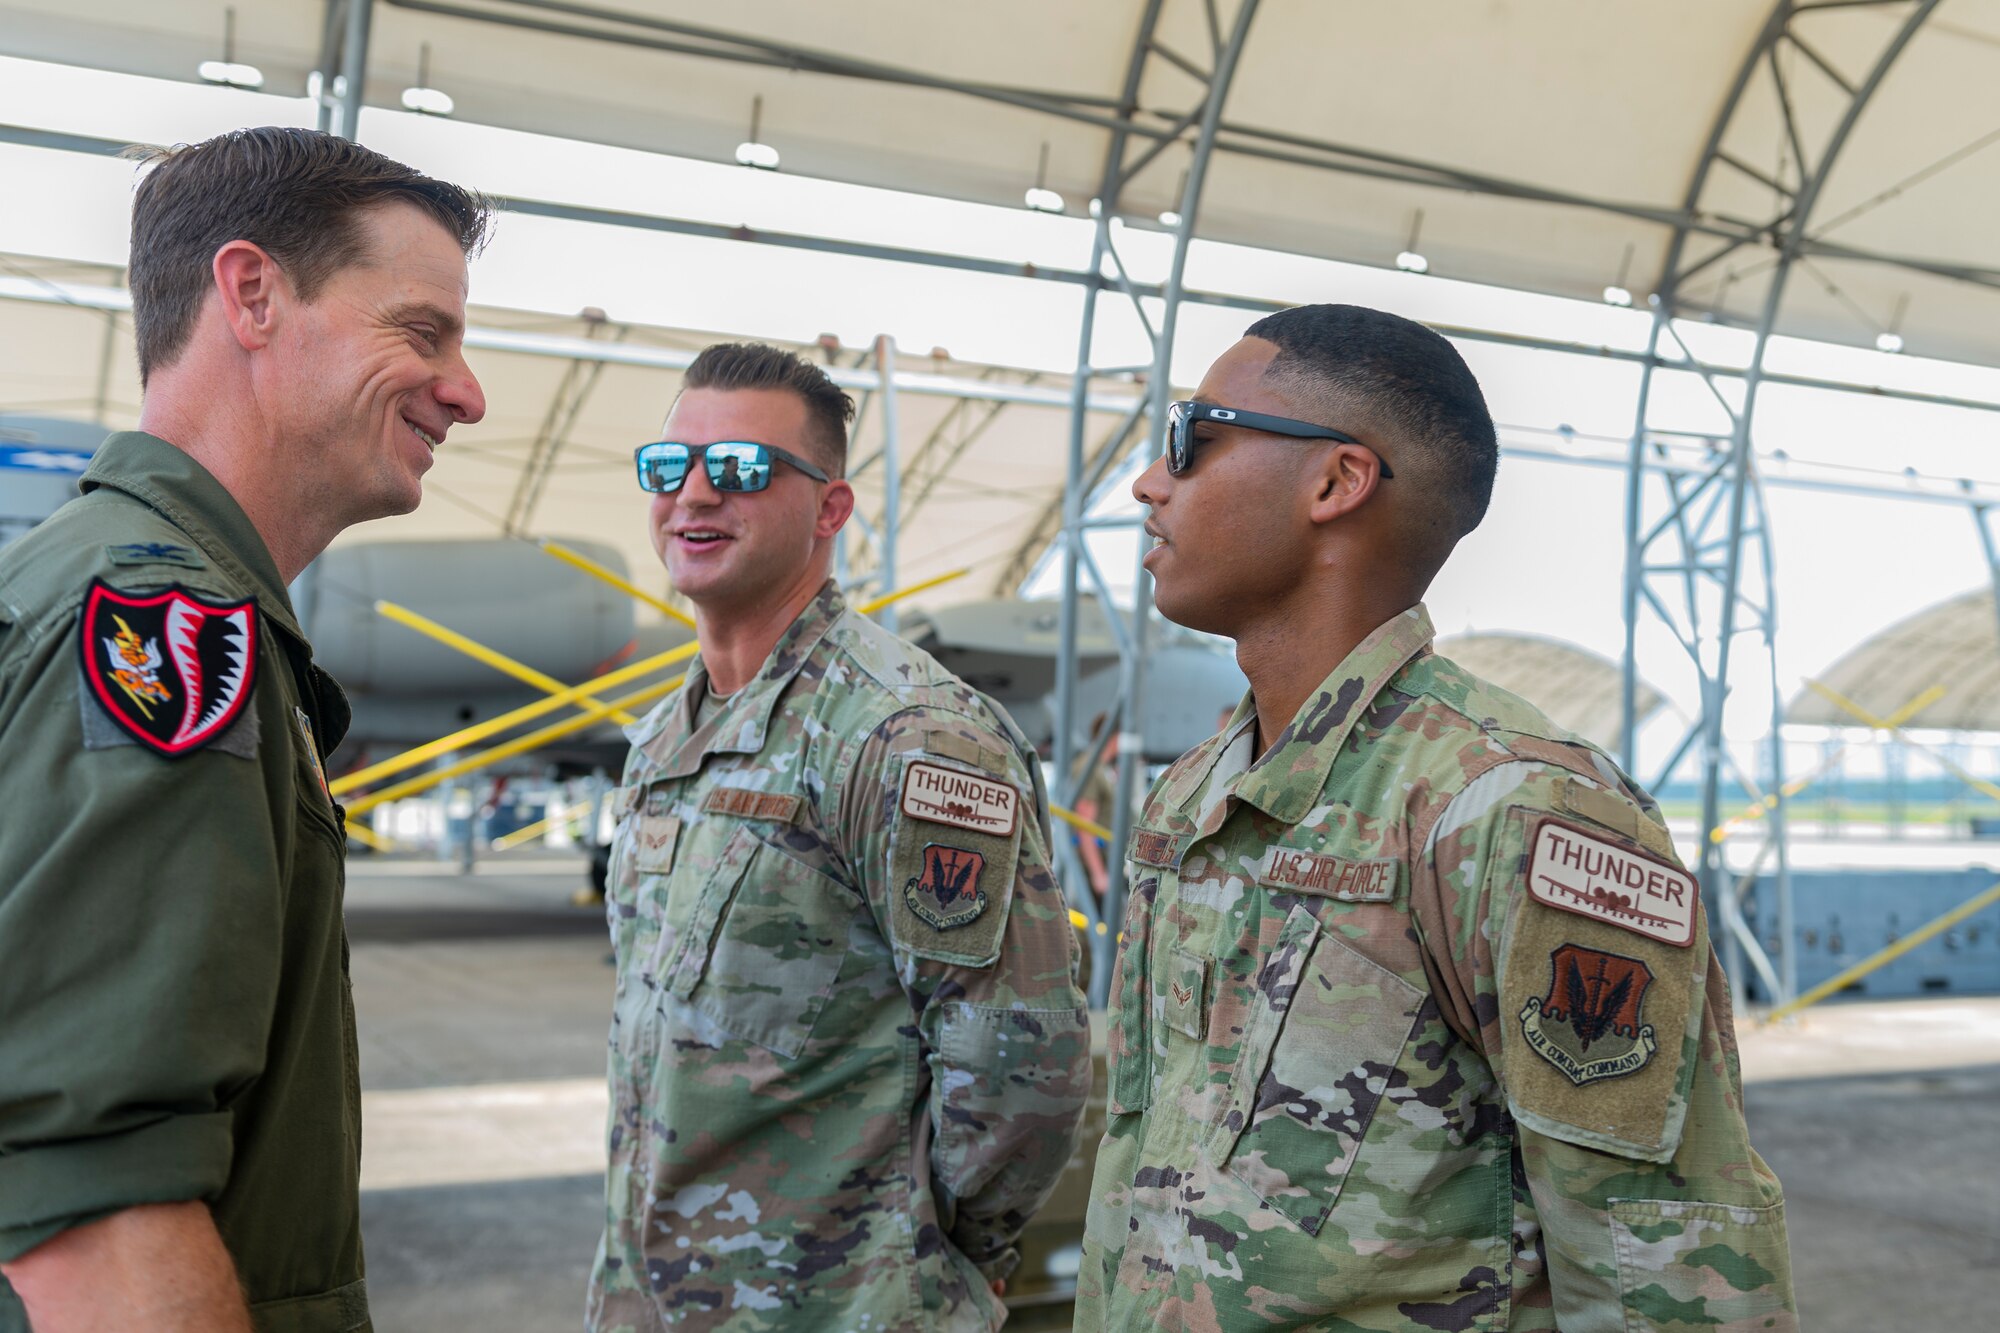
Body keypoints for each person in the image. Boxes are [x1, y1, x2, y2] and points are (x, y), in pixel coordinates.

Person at [1075, 305, 1794, 1331]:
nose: (1150, 481)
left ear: (1334, 482)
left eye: (1192, 438)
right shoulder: (1196, 790)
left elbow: (1665, 1263)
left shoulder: (1516, 807)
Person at [0, 127, 488, 1332]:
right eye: (421, 332)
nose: (467, 392)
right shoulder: (162, 626)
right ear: (253, 295)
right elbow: (97, 1215)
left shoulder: (84, 583)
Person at [590, 343, 1090, 1332]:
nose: (693, 494)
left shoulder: (907, 734)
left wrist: (944, 1258)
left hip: (840, 1306)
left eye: (738, 469)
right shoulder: (660, 739)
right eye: (668, 467)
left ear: (829, 509)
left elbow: (1015, 1064)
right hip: (655, 1298)